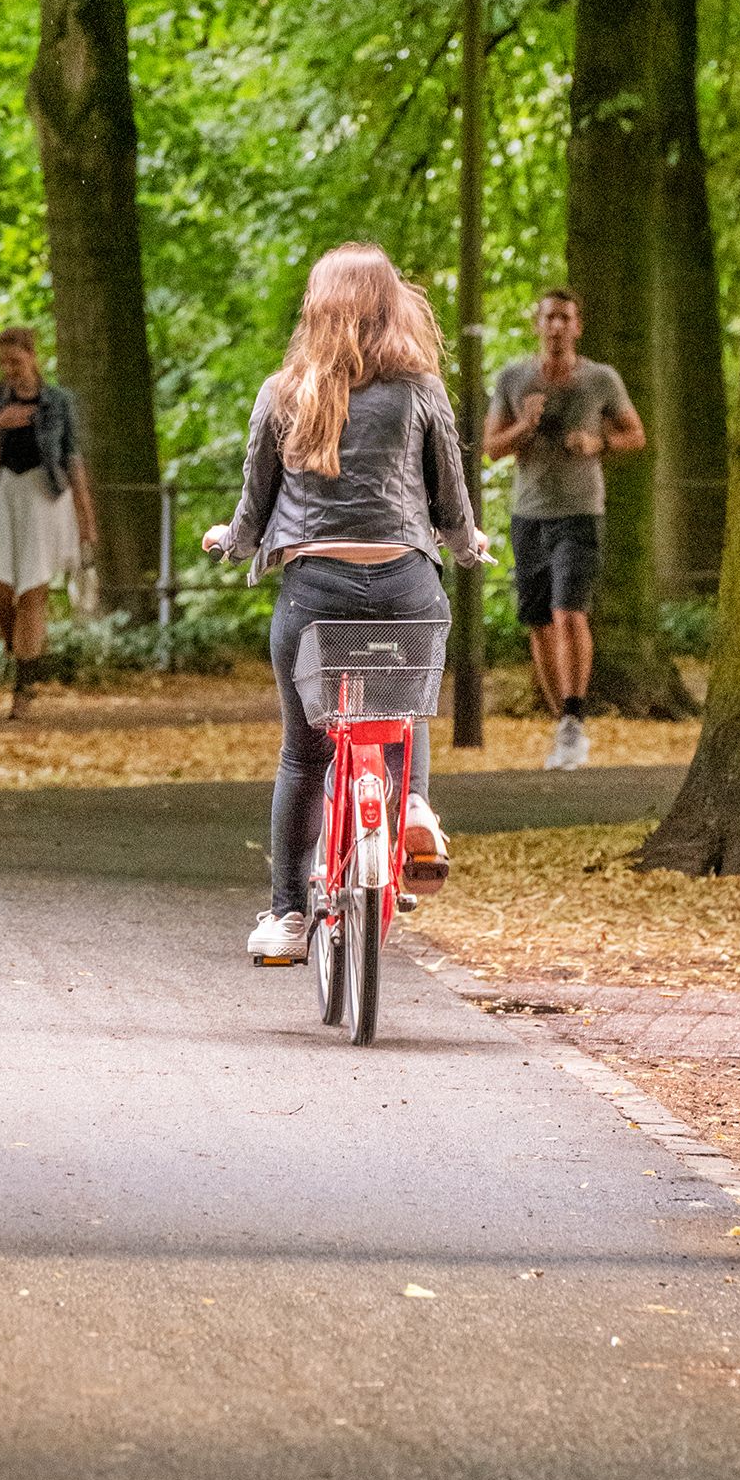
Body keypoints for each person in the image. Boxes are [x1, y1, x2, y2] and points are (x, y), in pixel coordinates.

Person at [203, 241, 490, 966]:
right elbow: (450, 501)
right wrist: (466, 544)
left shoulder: (282, 393)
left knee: (303, 756)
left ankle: (288, 917)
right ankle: (414, 806)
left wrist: (230, 541)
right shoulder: (422, 390)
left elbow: (254, 508)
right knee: (405, 704)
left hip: (316, 594)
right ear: (394, 307)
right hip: (406, 588)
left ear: (317, 309)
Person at [484, 286, 645, 770]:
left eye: (565, 319)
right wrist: (524, 426)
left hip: (579, 512)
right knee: (538, 623)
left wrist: (598, 443)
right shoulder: (513, 378)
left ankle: (574, 718)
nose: (556, 327)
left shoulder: (601, 380)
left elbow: (635, 435)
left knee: (568, 613)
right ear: (538, 324)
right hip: (528, 513)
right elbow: (492, 447)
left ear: (578, 327)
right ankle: (564, 726)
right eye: (549, 318)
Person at [0, 326, 98, 718]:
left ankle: (24, 686)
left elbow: (72, 459)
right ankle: (22, 652)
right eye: (3, 362)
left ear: (33, 356)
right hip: (4, 493)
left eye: (15, 360)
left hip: (45, 498)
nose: (9, 369)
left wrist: (87, 521)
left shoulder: (59, 402)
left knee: (32, 591)